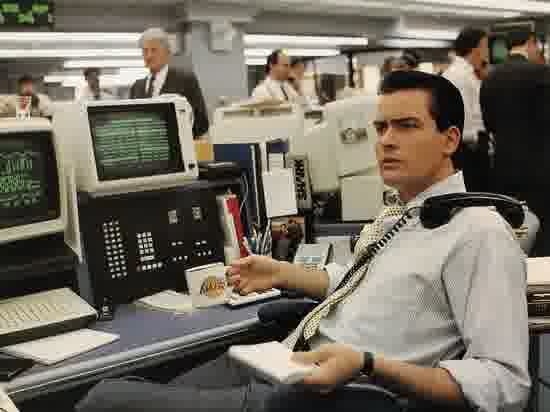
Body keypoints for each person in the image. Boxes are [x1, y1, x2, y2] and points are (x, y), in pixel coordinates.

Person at [76, 71, 529, 412]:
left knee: (103, 399)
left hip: (319, 395)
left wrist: (367, 363)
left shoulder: (478, 234)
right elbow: (359, 284)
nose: (386, 141)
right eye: (381, 128)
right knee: (130, 388)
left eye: (406, 126)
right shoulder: (402, 212)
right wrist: (282, 272)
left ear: (450, 139)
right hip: (282, 361)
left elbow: (505, 383)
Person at [480, 29, 550, 257]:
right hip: (540, 165)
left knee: (511, 224)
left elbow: (488, 123)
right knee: (543, 226)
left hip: (504, 165)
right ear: (531, 43)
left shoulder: (490, 78)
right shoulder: (542, 73)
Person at [129, 27, 209, 138]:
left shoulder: (185, 80)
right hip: (147, 146)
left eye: (154, 50)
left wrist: (180, 138)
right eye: (145, 51)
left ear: (167, 53)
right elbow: (132, 123)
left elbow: (201, 122)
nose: (149, 56)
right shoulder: (137, 87)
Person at [443, 27, 490, 191]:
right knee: (474, 195)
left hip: (467, 145)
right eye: (485, 46)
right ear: (476, 49)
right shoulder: (461, 76)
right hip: (468, 150)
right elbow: (465, 120)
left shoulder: (463, 73)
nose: (487, 52)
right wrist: (481, 142)